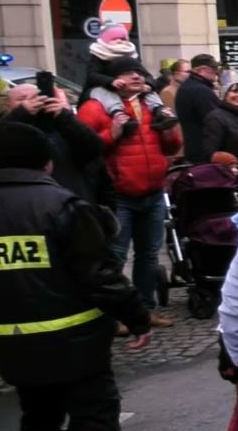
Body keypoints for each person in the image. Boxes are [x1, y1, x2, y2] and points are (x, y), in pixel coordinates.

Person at [0, 120, 152, 431]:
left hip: (11, 343)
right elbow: (101, 277)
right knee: (96, 425)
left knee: (40, 424)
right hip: (76, 339)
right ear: (45, 161)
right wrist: (136, 318)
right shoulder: (63, 205)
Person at [77, 63, 182, 326]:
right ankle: (116, 315)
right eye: (127, 73)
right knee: (116, 256)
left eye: (139, 73)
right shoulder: (95, 107)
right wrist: (111, 133)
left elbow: (172, 147)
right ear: (114, 81)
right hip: (118, 194)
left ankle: (145, 310)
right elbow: (83, 148)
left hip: (154, 191)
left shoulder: (151, 104)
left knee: (148, 255)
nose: (136, 76)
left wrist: (170, 130)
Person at [2, 82, 112, 208]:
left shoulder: (62, 124)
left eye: (36, 97)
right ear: (8, 105)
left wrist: (64, 115)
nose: (31, 102)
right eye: (21, 99)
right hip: (29, 206)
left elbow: (94, 148)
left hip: (74, 203)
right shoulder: (7, 127)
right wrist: (21, 114)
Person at [174, 53, 222, 163]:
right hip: (204, 150)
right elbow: (216, 120)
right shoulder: (201, 90)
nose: (216, 73)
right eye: (214, 69)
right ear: (202, 70)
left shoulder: (187, 86)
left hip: (193, 148)